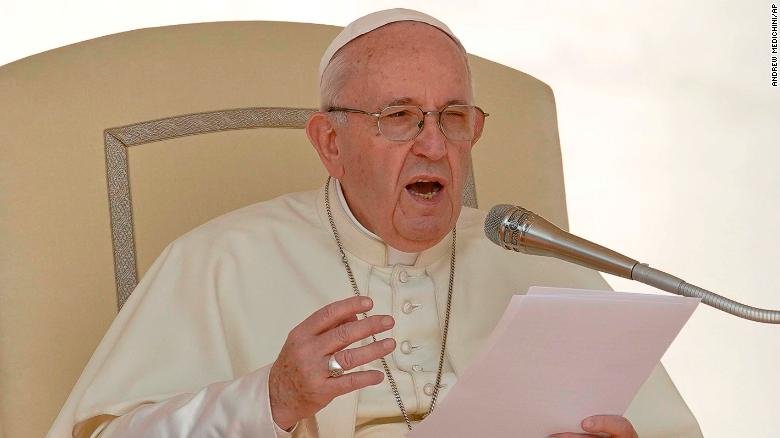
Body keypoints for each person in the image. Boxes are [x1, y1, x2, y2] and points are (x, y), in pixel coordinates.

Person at [48, 9, 701, 438]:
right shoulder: (221, 258)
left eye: (452, 115)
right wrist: (268, 400)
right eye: (398, 116)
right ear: (330, 143)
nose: (434, 144)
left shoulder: (539, 261)